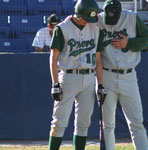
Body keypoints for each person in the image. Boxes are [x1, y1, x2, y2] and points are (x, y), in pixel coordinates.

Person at [48, 0, 105, 150]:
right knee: (59, 122)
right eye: (87, 17)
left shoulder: (95, 29)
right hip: (68, 77)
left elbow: (98, 59)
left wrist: (100, 84)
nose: (90, 21)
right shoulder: (62, 28)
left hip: (88, 78)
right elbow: (53, 58)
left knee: (83, 123)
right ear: (79, 14)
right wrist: (55, 84)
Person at [97, 0, 148, 150]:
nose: (110, 20)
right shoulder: (98, 19)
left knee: (136, 121)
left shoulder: (132, 18)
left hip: (129, 76)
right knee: (107, 124)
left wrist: (129, 43)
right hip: (106, 75)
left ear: (120, 12)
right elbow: (80, 22)